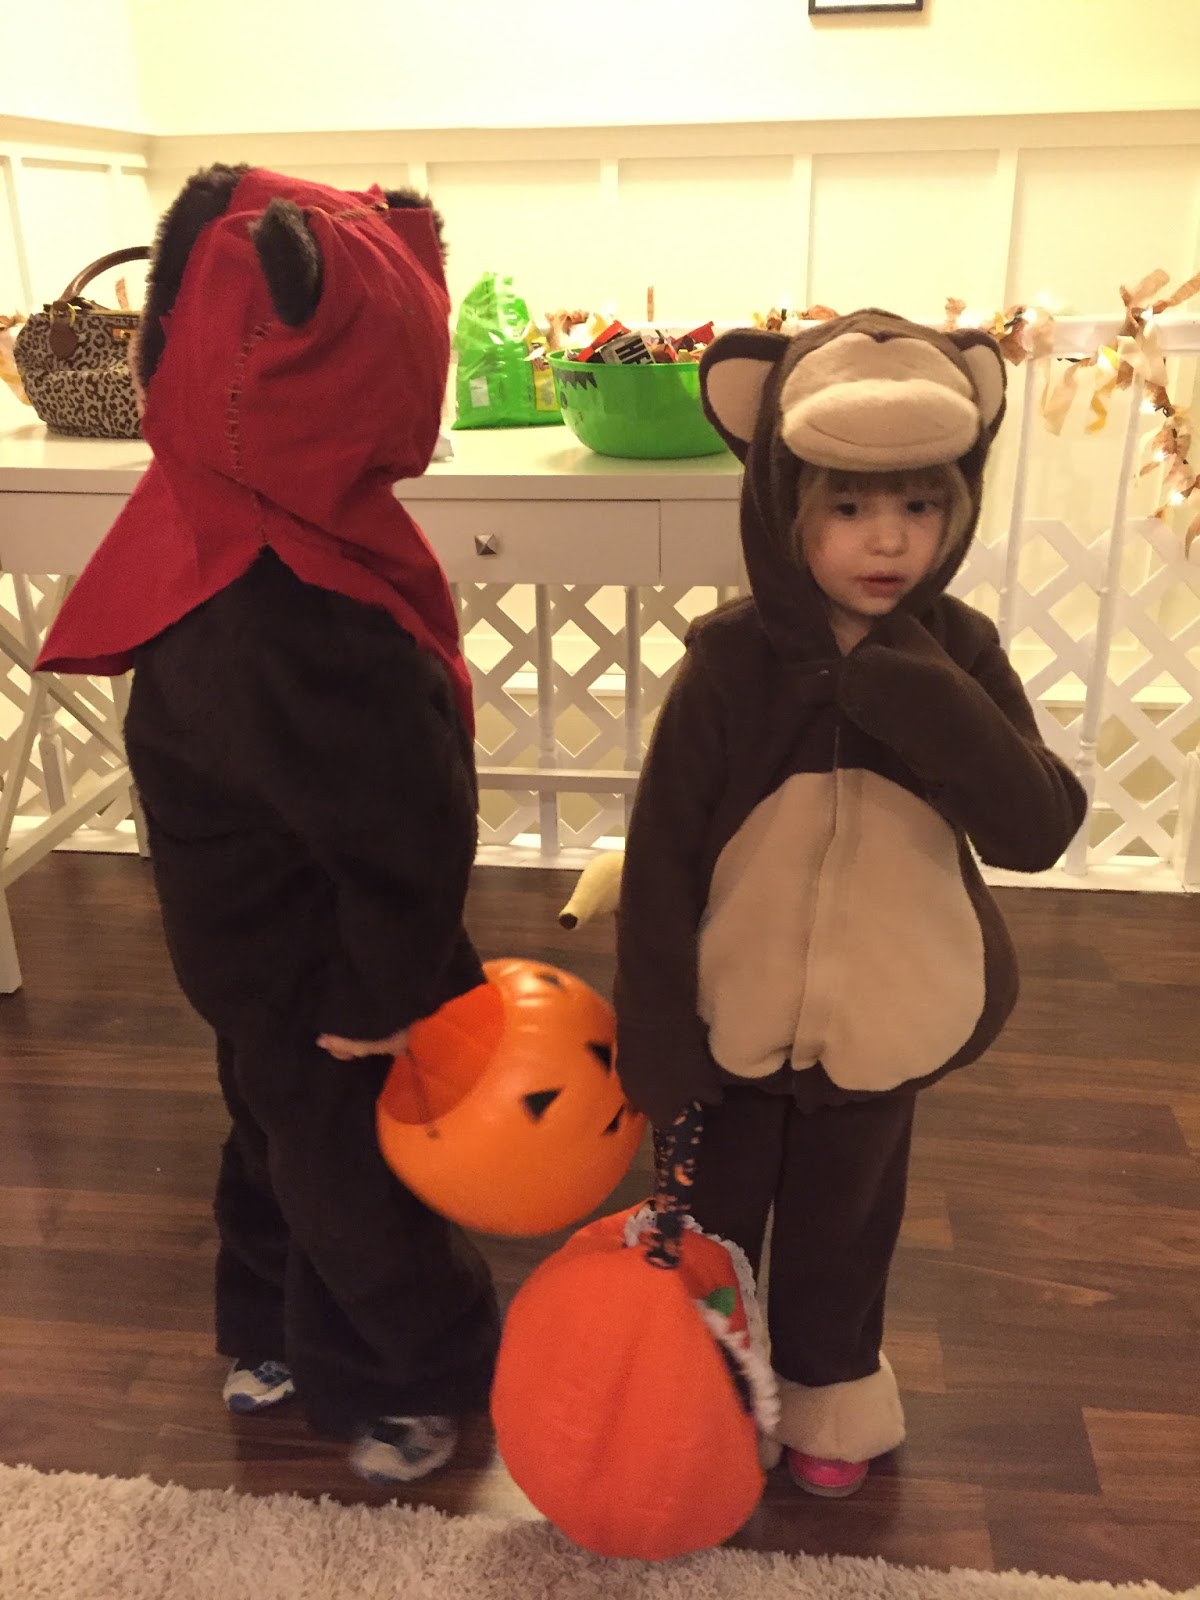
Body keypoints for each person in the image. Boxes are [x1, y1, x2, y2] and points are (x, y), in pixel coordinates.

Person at [37, 164, 499, 1485]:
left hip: (270, 949)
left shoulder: (241, 538)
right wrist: (385, 991)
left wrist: (375, 981)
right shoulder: (288, 602)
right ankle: (376, 1362)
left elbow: (384, 822)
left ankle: (292, 1338)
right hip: (307, 962)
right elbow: (401, 829)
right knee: (332, 1160)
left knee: (291, 1137)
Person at [614, 310, 1086, 1498]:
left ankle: (830, 1387)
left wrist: (925, 692)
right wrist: (656, 1032)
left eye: (920, 505)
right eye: (849, 506)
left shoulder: (960, 653)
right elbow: (661, 856)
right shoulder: (728, 666)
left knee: (845, 1230)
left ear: (957, 508)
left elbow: (1036, 830)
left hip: (885, 1021)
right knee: (710, 1240)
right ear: (786, 505)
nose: (888, 538)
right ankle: (711, 1401)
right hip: (726, 1028)